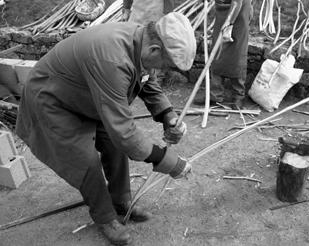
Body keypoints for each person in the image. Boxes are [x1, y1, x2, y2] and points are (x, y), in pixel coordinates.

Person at [16, 12, 196, 246]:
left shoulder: (140, 40)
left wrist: (167, 115)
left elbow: (146, 78)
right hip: (52, 100)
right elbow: (125, 133)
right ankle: (105, 217)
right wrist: (169, 161)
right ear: (154, 50)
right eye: (166, 65)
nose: (162, 71)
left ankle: (120, 200)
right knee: (84, 160)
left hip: (86, 95)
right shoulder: (112, 59)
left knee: (113, 145)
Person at [194, 0, 253, 109]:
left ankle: (238, 96)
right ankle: (215, 95)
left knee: (237, 54)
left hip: (239, 14)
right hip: (223, 12)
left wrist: (230, 23)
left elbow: (237, 2)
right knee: (217, 53)